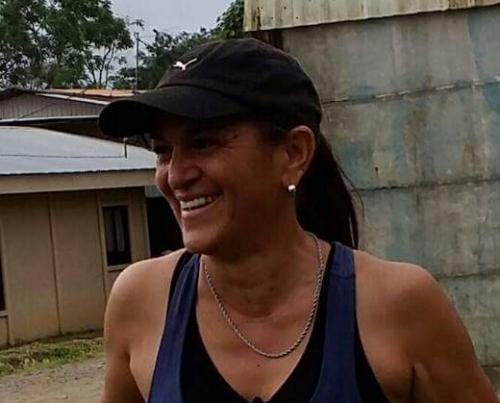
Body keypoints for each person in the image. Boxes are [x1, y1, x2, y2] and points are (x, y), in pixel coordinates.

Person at [98, 38, 498, 403]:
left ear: (293, 153)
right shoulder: (142, 301)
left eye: (204, 143)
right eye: (163, 151)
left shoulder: (398, 305)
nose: (175, 176)